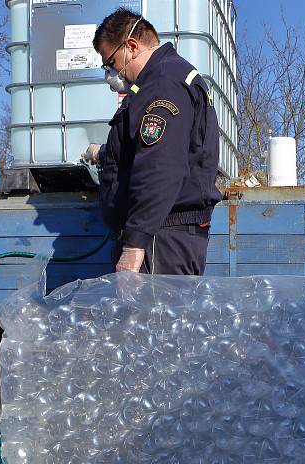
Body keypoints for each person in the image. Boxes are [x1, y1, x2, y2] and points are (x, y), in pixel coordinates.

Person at [83, 8, 221, 275]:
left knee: (152, 317)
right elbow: (150, 147)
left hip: (159, 239)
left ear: (131, 46)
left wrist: (135, 243)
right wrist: (105, 152)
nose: (111, 72)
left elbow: (160, 165)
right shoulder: (167, 77)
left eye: (110, 62)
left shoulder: (162, 82)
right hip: (162, 235)